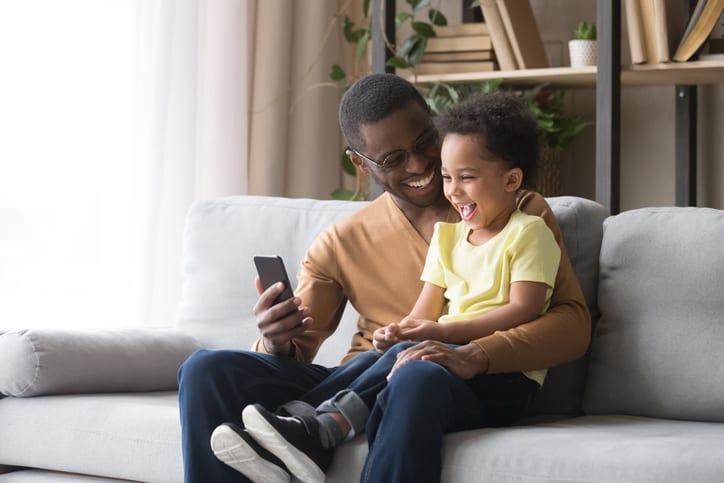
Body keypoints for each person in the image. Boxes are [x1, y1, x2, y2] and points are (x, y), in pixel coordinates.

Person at [177, 73, 590, 483]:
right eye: (393, 159)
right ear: (360, 162)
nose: (421, 165)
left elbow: (571, 325)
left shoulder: (513, 211)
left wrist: (475, 354)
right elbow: (295, 354)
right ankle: (304, 428)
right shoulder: (341, 241)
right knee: (204, 370)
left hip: (444, 378)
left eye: (425, 142)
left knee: (416, 371)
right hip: (364, 374)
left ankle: (306, 429)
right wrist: (274, 339)